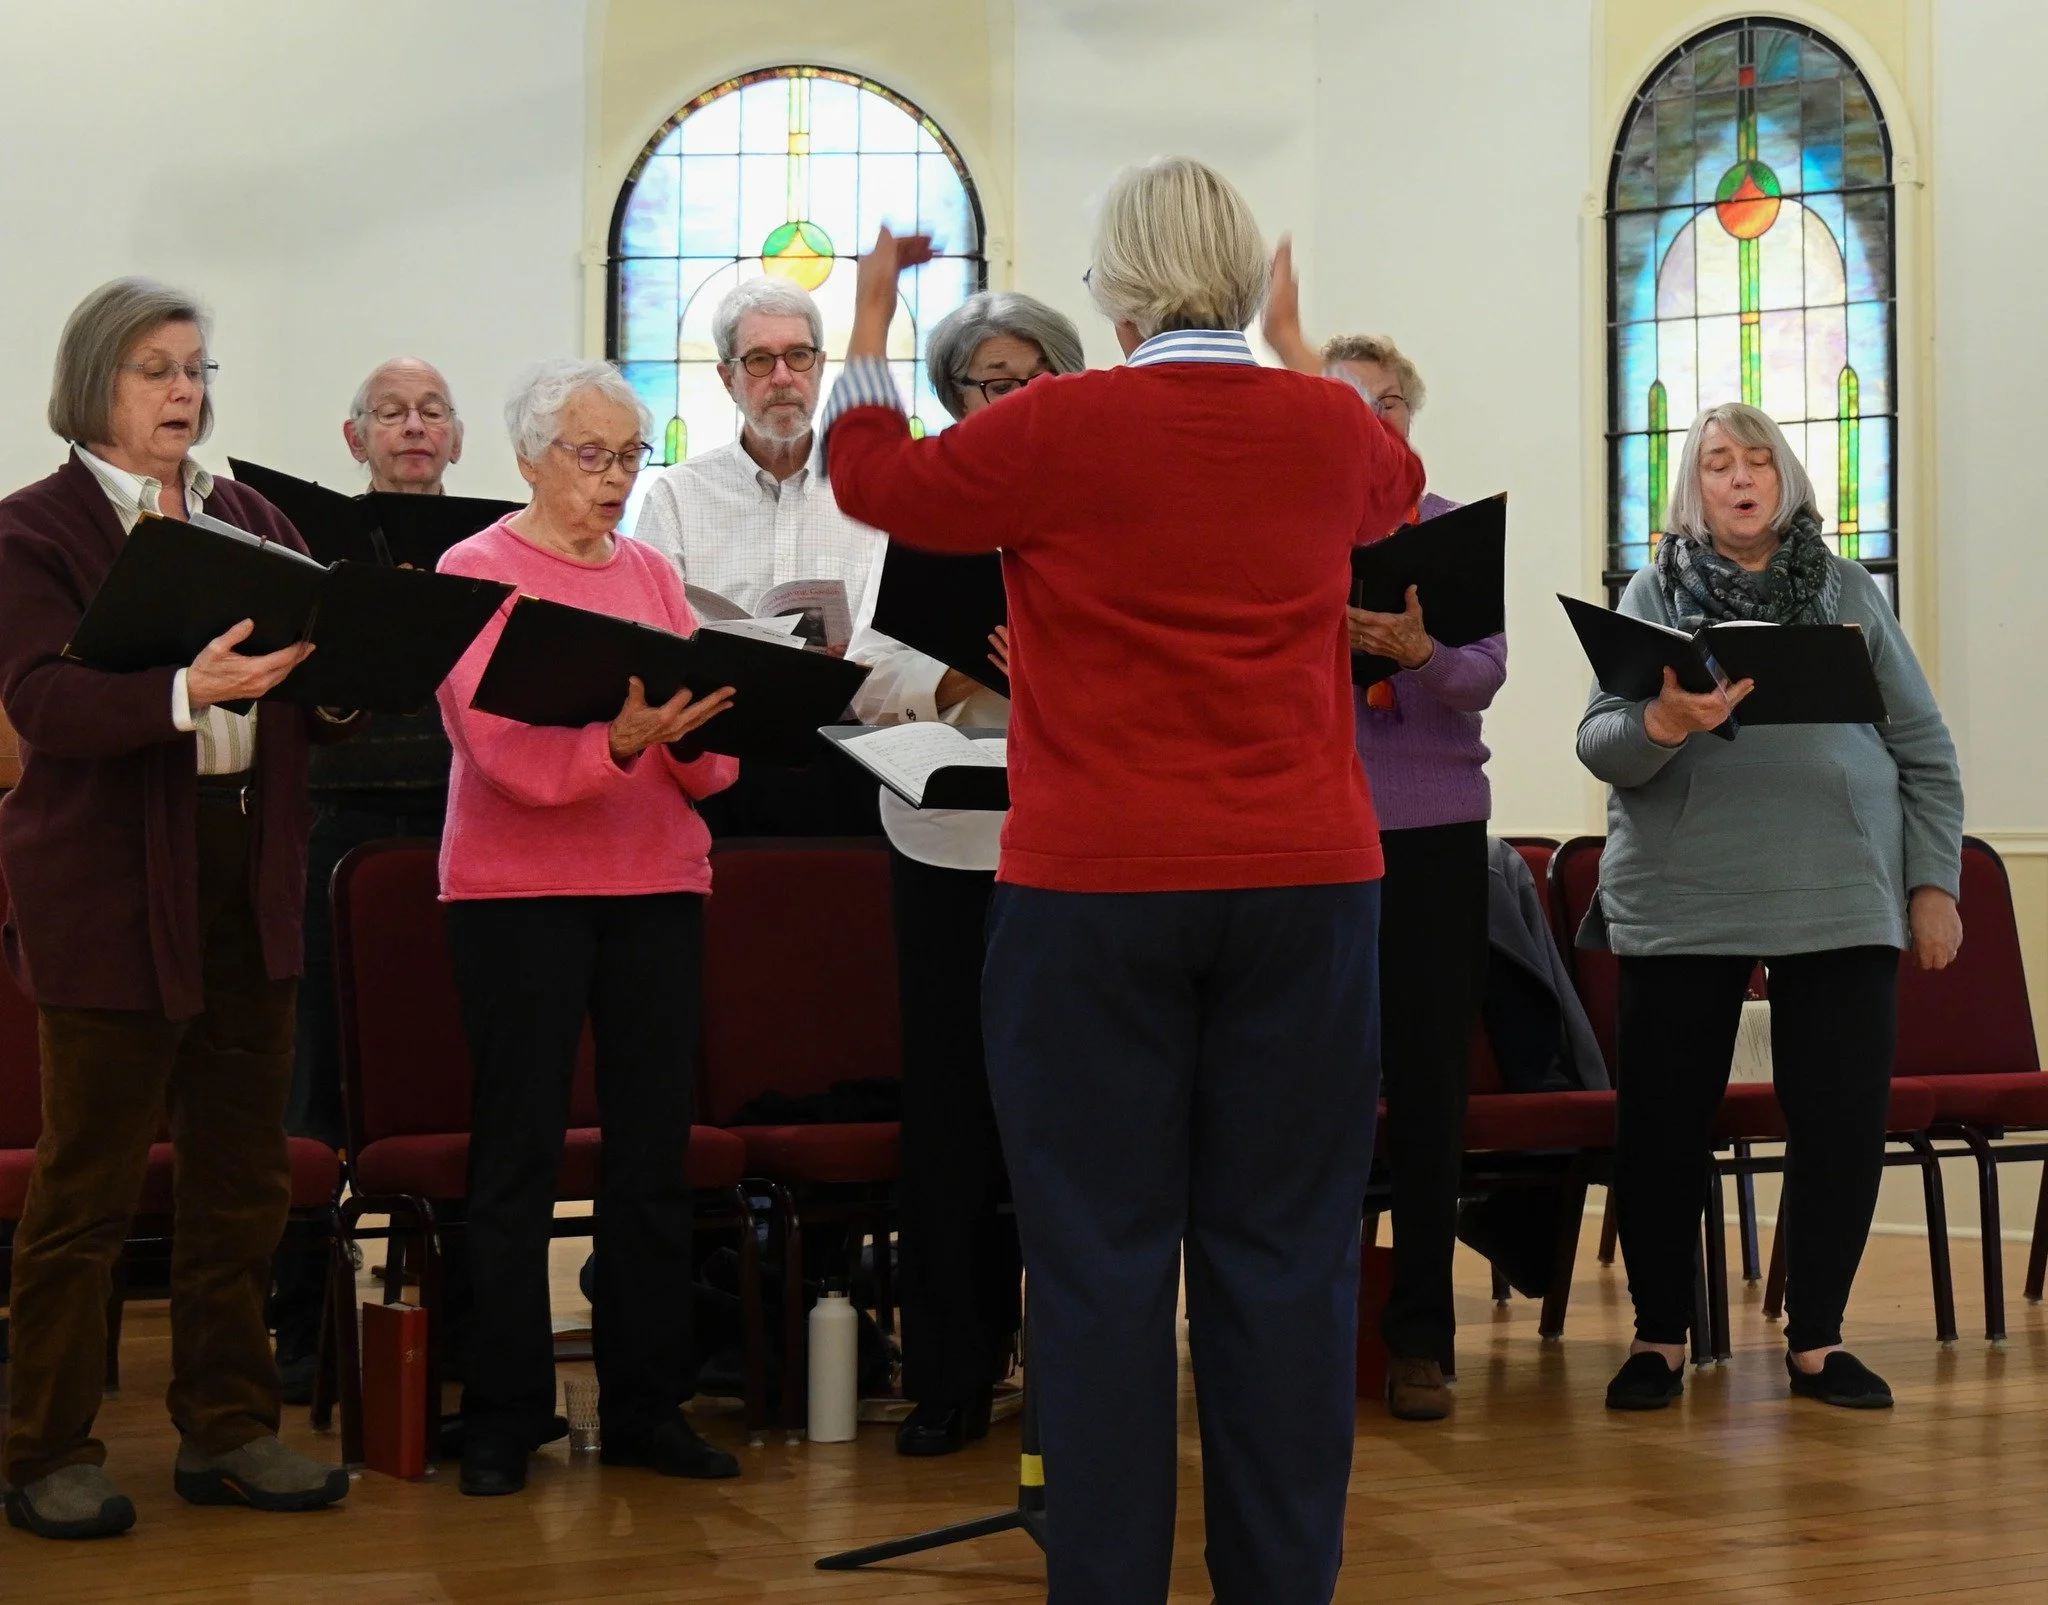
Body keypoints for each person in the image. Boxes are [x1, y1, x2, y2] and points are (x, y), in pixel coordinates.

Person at [825, 158, 1423, 1604]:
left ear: (1117, 289)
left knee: (1096, 1264)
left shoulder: (1058, 425)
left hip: (1093, 888)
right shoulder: (1328, 426)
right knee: (1285, 1258)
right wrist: (1296, 348)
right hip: (1302, 884)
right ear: (1236, 278)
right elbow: (1397, 491)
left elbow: (872, 478)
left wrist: (871, 314)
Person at [0, 277, 354, 1539]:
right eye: (157, 369)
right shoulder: (31, 532)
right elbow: (40, 702)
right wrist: (178, 692)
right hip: (104, 881)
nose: (185, 393)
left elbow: (309, 662)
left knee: (242, 1177)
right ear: (95, 381)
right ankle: (45, 1445)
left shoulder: (248, 512)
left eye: (197, 369)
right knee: (86, 1186)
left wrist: (357, 668)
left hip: (245, 873)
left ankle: (230, 1429)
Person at [1577, 401, 1964, 1413]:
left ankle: (1819, 1342)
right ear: (1691, 487)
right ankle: (1659, 1339)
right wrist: (1663, 718)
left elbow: (1923, 748)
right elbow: (1601, 748)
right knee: (1660, 1122)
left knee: (1839, 1118)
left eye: (1757, 460)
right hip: (1682, 892)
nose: (1739, 477)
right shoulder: (1651, 593)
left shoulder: (1843, 590)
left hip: (1838, 889)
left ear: (1784, 479)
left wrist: (1932, 884)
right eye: (1716, 462)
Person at [434, 358, 741, 1497]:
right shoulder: (473, 570)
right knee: (516, 1156)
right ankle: (509, 1411)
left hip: (655, 886)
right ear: (527, 458)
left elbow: (703, 763)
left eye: (629, 455)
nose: (615, 478)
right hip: (517, 897)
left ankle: (647, 1405)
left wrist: (700, 725)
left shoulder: (656, 574)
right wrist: (611, 745)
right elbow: (496, 752)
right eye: (590, 454)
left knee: (652, 1158)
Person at [843, 291, 1085, 1457]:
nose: (1015, 397)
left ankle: (1071, 1374)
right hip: (942, 839)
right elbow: (868, 669)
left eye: (1034, 377)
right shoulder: (924, 500)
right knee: (947, 1118)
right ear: (952, 396)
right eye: (991, 381)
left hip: (1077, 842)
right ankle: (949, 1372)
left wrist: (1062, 658)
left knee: (1070, 1125)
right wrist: (955, 676)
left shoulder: (1098, 493)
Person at [1265, 274, 1506, 1421]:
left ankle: (1421, 1335)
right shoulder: (1273, 531)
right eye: (1340, 408)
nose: (1366, 429)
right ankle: (1298, 1330)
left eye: (1383, 410)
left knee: (1424, 1093)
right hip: (1305, 841)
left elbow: (1480, 680)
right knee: (1301, 1092)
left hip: (1429, 842)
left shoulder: (1448, 530)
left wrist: (1414, 654)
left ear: (1406, 424)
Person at [273, 358, 471, 1400]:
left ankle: (471, 1323)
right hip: (333, 826)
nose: (411, 428)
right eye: (389, 414)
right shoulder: (309, 548)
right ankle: (301, 1332)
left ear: (459, 439)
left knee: (455, 1068)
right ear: (355, 441)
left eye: (431, 412)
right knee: (311, 1086)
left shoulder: (493, 554)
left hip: (460, 822)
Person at [631, 278, 886, 836]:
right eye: (759, 360)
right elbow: (648, 634)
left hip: (853, 749)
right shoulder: (677, 495)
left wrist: (859, 654)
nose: (782, 378)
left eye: (797, 356)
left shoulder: (873, 489)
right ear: (727, 377)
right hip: (720, 750)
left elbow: (906, 629)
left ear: (820, 364)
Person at [342, 357, 465, 494]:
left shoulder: (489, 516)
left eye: (432, 413)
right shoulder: (327, 516)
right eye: (392, 413)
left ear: (456, 442)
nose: (414, 426)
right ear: (356, 440)